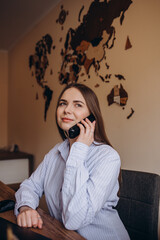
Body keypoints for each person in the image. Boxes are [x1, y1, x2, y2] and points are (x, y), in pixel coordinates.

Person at [14, 83, 130, 240]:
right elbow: (30, 186)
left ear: (91, 117)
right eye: (63, 103)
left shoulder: (108, 157)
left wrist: (78, 150)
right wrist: (25, 207)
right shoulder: (56, 152)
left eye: (78, 105)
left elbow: (74, 220)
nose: (67, 110)